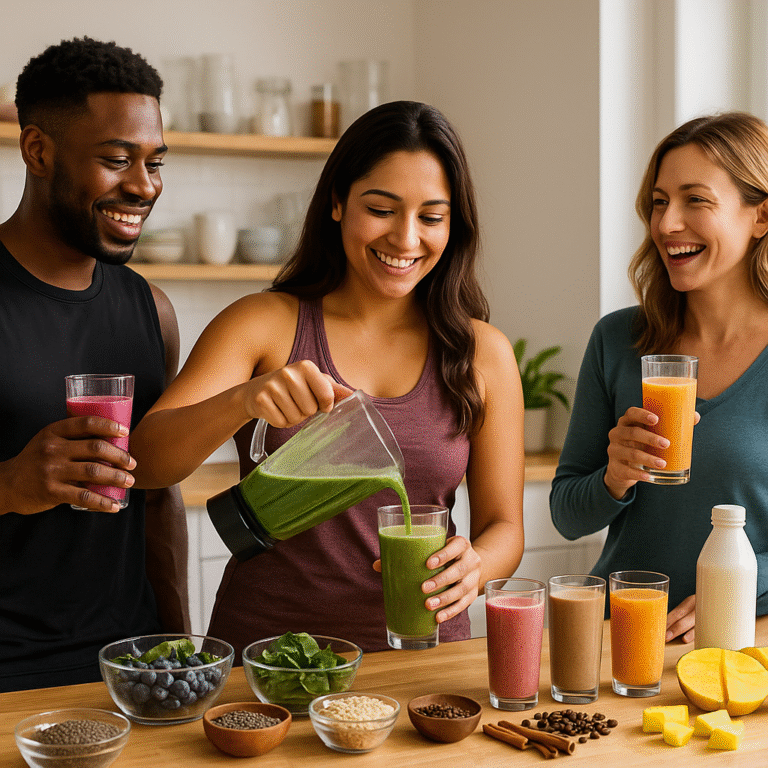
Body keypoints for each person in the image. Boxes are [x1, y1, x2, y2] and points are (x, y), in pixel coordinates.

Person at [130, 100, 524, 654]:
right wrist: (245, 400)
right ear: (337, 202)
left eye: (431, 217)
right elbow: (144, 463)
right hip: (270, 661)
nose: (407, 239)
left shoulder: (483, 353)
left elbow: (505, 525)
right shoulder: (262, 324)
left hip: (422, 659)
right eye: (382, 209)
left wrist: (477, 565)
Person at [0, 37, 190, 692]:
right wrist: (10, 484)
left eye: (154, 162)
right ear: (38, 151)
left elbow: (157, 494)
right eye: (116, 160)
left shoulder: (152, 310)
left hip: (132, 670)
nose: (143, 186)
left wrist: (179, 645)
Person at [550, 111, 768, 645]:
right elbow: (566, 513)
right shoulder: (619, 340)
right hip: (615, 641)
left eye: (696, 200)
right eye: (658, 201)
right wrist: (613, 478)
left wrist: (741, 587)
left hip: (741, 643)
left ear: (760, 217)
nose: (667, 223)